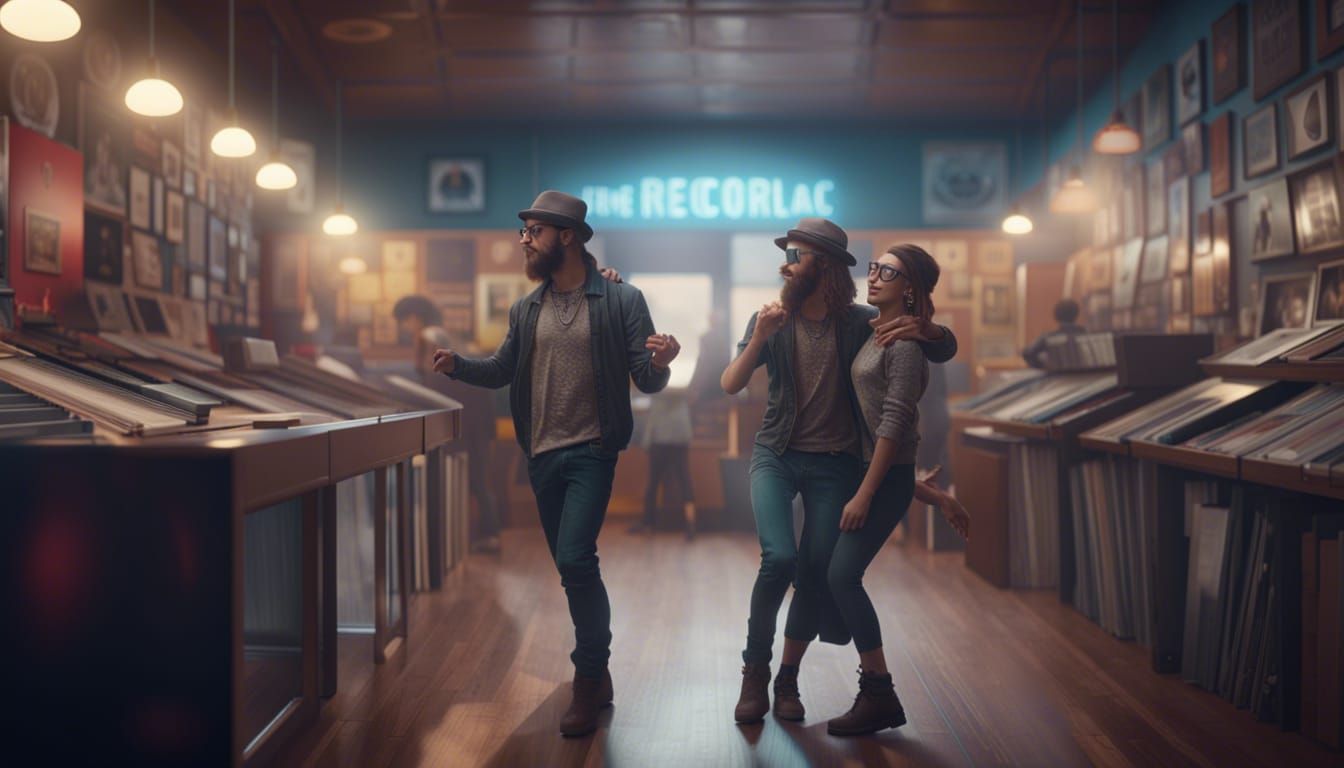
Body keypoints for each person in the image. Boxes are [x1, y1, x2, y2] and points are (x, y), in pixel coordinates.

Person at [431, 190, 680, 737]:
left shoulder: (621, 299)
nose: (524, 240)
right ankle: (600, 670)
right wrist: (457, 366)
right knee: (572, 572)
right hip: (539, 452)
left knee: (575, 559)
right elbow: (501, 368)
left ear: (566, 236)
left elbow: (648, 377)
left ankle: (586, 679)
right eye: (524, 232)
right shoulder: (526, 308)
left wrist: (663, 361)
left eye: (533, 231)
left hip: (593, 450)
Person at [719, 218, 958, 725]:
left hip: (835, 463)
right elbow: (730, 382)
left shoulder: (858, 322)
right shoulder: (771, 317)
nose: (787, 262)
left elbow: (934, 347)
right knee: (779, 557)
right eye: (787, 251)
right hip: (775, 453)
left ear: (822, 266)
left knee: (814, 573)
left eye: (798, 253)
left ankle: (788, 681)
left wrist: (929, 327)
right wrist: (759, 338)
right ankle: (754, 672)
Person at [827, 244, 970, 736]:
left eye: (887, 271)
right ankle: (874, 685)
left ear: (909, 286)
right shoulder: (874, 327)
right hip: (881, 472)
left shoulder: (906, 343)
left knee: (843, 576)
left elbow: (894, 425)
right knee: (834, 574)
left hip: (880, 476)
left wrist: (866, 494)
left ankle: (880, 692)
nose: (874, 276)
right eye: (874, 267)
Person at [394, 295, 502, 553]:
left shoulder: (427, 338)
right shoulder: (449, 335)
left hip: (456, 419)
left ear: (414, 318)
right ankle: (489, 534)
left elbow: (431, 380)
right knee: (477, 478)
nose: (404, 328)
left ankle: (455, 540)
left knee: (461, 479)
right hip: (477, 417)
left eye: (404, 321)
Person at [633, 387, 696, 538]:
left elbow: (653, 416)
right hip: (680, 437)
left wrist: (646, 441)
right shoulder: (683, 386)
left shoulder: (657, 383)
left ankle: (648, 523)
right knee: (684, 479)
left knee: (653, 481)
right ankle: (691, 522)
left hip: (659, 438)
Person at [1022, 298, 1085, 368]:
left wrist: (1043, 366)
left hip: (1058, 375)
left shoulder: (1048, 338)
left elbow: (1027, 353)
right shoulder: (1086, 335)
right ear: (1076, 314)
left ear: (1056, 316)